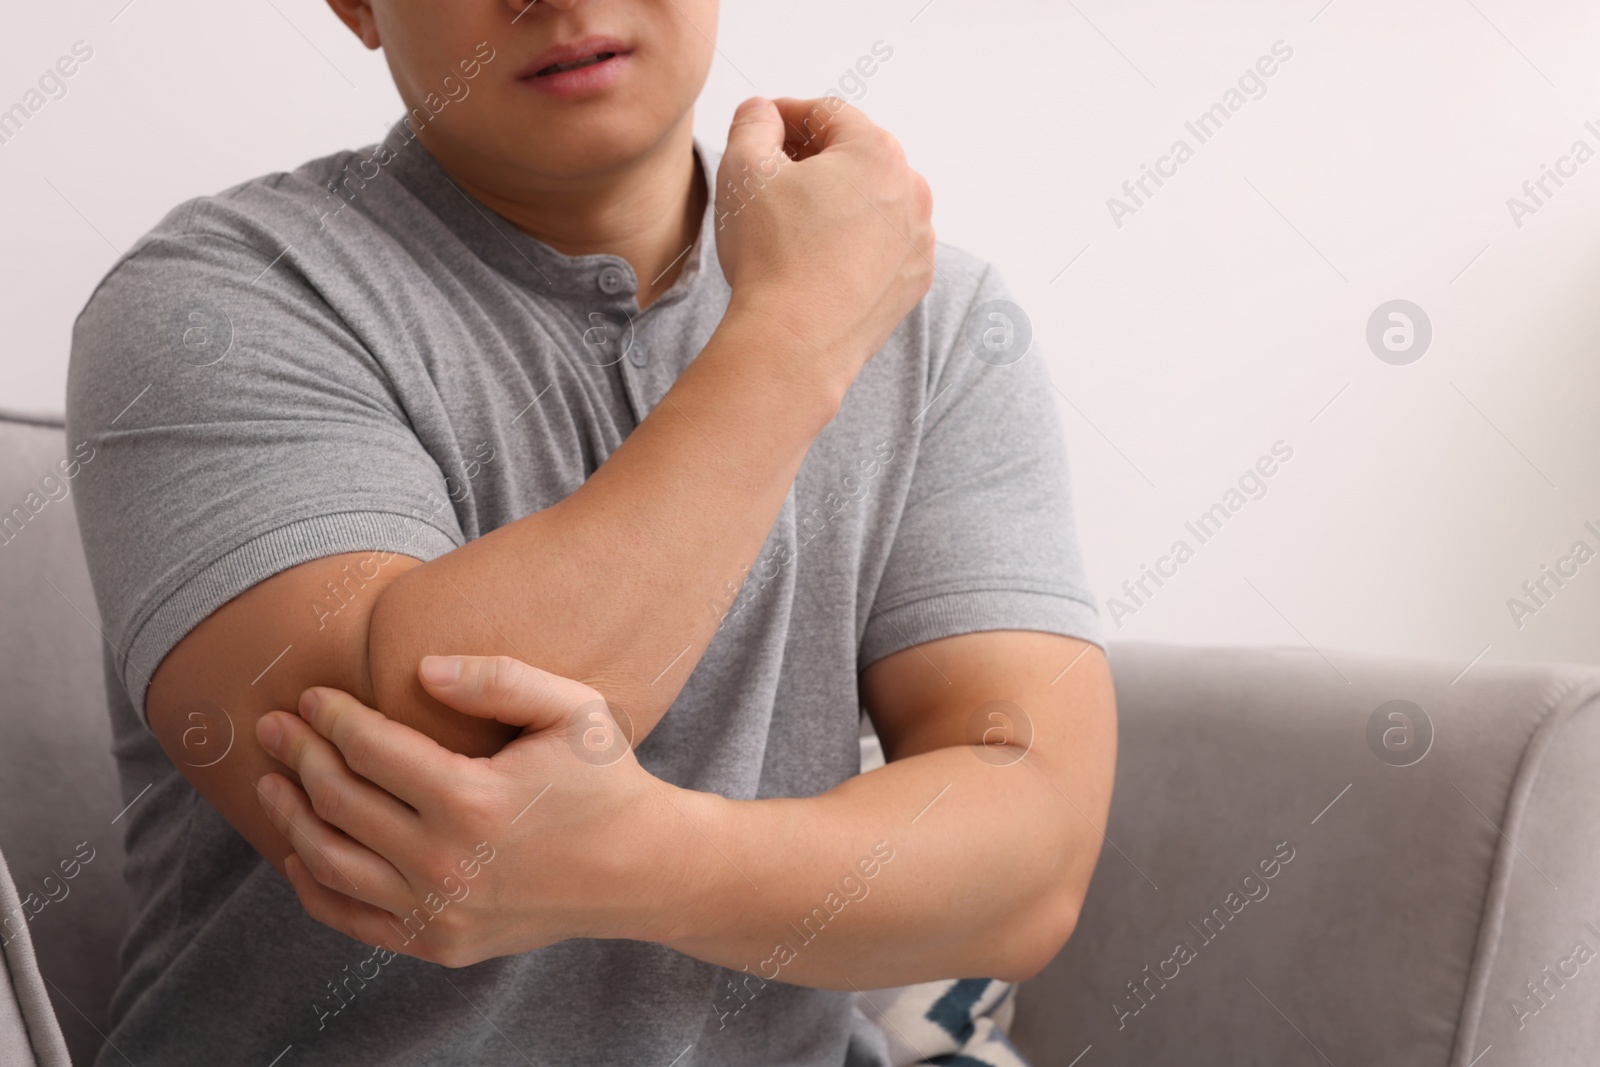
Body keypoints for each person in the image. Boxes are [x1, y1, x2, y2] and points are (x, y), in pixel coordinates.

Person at [65, 1, 1116, 1063]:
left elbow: (1030, 861)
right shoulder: (215, 301)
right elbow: (406, 776)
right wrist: (796, 334)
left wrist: (645, 860)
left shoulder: (931, 317)